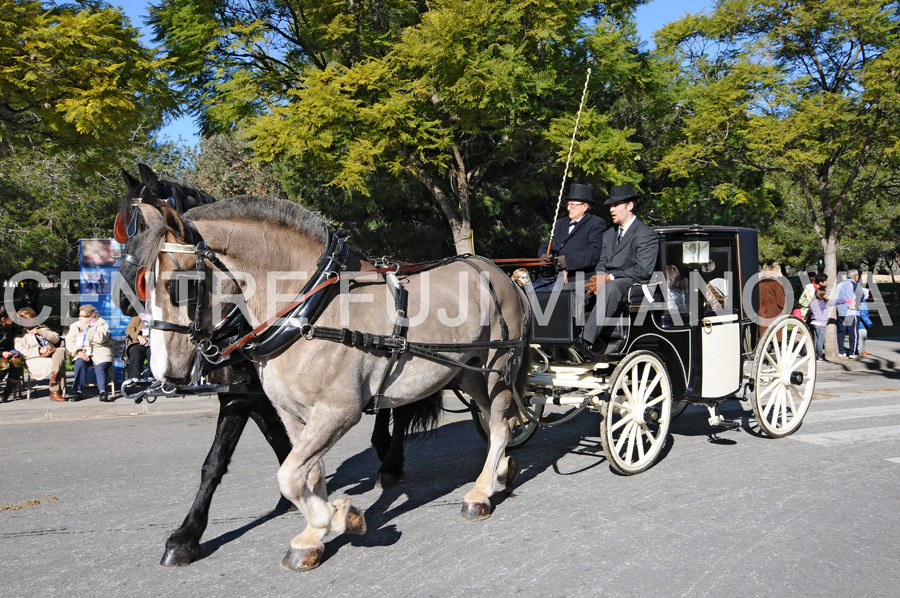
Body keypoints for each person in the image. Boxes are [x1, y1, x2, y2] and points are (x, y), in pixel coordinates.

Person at [582, 184, 659, 351]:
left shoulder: (645, 234)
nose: (611, 209)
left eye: (615, 205)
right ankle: (561, 341)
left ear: (629, 206)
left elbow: (644, 270)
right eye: (610, 205)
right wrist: (600, 277)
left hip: (633, 283)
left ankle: (585, 342)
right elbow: (602, 262)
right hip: (610, 281)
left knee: (611, 288)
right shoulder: (609, 234)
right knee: (574, 288)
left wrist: (610, 278)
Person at [536, 183, 607, 288]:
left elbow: (593, 253)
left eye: (573, 205)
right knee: (530, 291)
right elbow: (546, 245)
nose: (569, 208)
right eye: (568, 204)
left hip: (579, 278)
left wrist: (568, 261)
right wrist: (543, 256)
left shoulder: (596, 223)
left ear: (585, 207)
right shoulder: (560, 223)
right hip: (555, 277)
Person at [14, 307, 67, 402]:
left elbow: (56, 338)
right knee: (57, 363)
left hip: (52, 353)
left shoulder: (42, 328)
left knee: (61, 351)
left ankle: (54, 379)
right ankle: (54, 390)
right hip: (34, 358)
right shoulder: (19, 334)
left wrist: (40, 332)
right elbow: (21, 351)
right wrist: (38, 350)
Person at [65, 304, 114, 402]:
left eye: (83, 316)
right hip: (82, 352)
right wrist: (79, 352)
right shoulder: (75, 326)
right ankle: (78, 392)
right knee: (79, 364)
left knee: (100, 365)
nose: (80, 318)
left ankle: (103, 392)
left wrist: (88, 330)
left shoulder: (101, 323)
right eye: (79, 316)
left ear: (91, 316)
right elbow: (69, 342)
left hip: (100, 351)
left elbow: (99, 339)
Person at [835, 269, 862, 358]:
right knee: (853, 333)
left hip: (841, 312)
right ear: (855, 276)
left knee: (841, 332)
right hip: (852, 312)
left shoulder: (839, 285)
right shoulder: (854, 285)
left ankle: (841, 351)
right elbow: (860, 296)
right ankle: (852, 352)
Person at [1, 306, 25, 403]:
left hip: (8, 354)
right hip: (2, 356)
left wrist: (15, 352)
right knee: (4, 364)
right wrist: (2, 353)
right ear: (3, 319)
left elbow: (13, 343)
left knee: (17, 363)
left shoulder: (12, 328)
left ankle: (5, 394)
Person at [125, 313, 152, 382]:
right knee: (135, 352)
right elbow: (129, 330)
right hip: (137, 342)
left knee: (153, 353)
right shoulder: (139, 316)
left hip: (153, 343)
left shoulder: (158, 316)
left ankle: (153, 378)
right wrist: (138, 336)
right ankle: (134, 378)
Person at [808, 287, 828, 361]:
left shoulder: (813, 302)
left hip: (814, 322)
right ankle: (819, 355)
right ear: (822, 295)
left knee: (815, 339)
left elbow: (810, 308)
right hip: (821, 323)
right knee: (820, 339)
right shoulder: (823, 302)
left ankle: (813, 353)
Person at [857, 288, 873, 357]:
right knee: (861, 337)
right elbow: (863, 314)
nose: (869, 295)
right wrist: (869, 323)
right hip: (861, 325)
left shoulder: (863, 303)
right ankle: (860, 351)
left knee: (862, 338)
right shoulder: (862, 304)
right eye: (867, 293)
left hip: (861, 325)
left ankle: (862, 350)